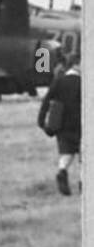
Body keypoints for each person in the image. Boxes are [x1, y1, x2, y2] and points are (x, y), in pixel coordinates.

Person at [38, 52, 81, 195]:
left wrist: (41, 121)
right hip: (81, 124)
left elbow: (46, 100)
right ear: (77, 64)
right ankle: (83, 182)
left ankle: (62, 171)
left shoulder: (59, 81)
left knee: (66, 153)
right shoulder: (84, 82)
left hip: (61, 124)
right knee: (85, 155)